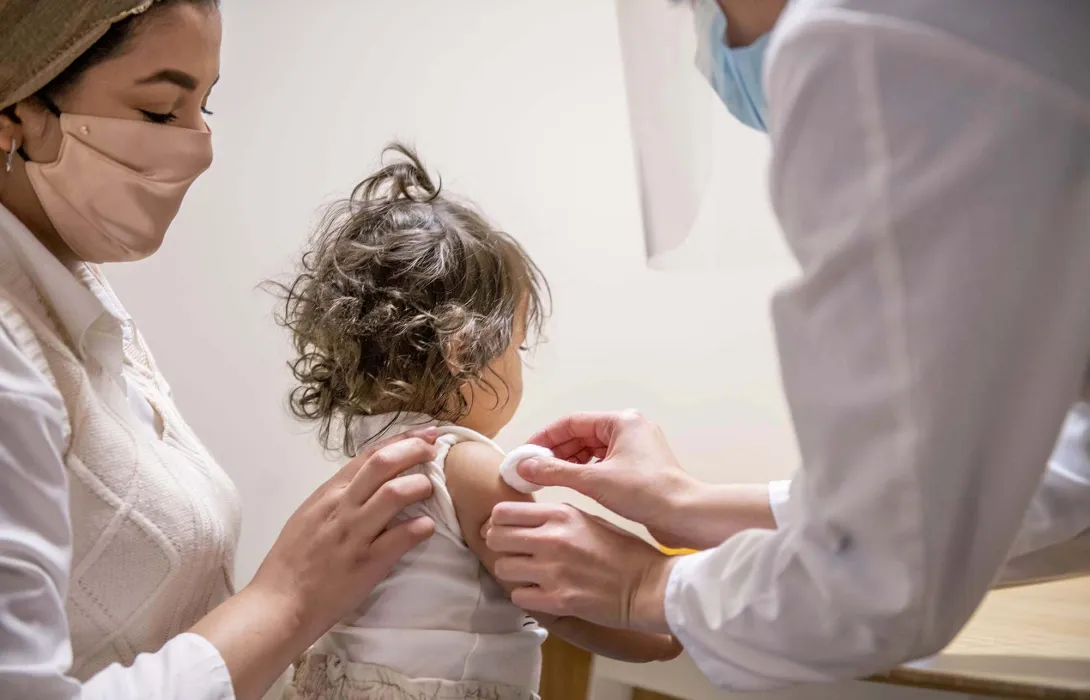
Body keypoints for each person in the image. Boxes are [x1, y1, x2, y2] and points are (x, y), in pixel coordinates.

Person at [483, 0, 1090, 691]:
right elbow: (1058, 484)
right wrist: (686, 505)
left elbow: (879, 583)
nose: (703, 41)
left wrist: (644, 584)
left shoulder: (869, 43)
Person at [0, 3, 443, 699]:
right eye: (160, 111)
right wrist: (286, 601)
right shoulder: (13, 347)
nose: (200, 146)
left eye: (204, 106)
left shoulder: (77, 294)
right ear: (16, 113)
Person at [273, 144, 681, 700]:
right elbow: (560, 601)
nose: (519, 365)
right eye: (517, 347)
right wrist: (663, 631)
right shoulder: (467, 466)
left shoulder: (365, 464)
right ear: (464, 351)